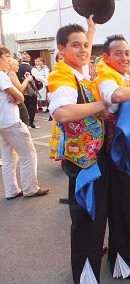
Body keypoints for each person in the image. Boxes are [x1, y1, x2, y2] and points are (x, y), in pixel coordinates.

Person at [48, 19, 111, 283]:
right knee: (86, 220)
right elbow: (62, 112)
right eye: (76, 45)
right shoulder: (63, 75)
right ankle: (85, 276)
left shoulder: (80, 72)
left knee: (93, 217)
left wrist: (90, 28)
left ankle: (91, 259)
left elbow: (83, 56)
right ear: (61, 49)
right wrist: (100, 105)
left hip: (92, 159)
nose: (84, 50)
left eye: (86, 45)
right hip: (84, 163)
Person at [94, 34, 130, 280]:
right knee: (120, 207)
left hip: (126, 151)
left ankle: (120, 247)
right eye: (118, 53)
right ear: (106, 57)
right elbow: (115, 97)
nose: (125, 57)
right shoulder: (106, 77)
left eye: (127, 53)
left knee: (125, 206)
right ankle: (119, 262)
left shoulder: (125, 75)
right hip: (116, 155)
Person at [0, 44, 49, 199]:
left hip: (2, 123)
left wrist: (14, 95)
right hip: (11, 120)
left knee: (9, 157)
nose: (9, 60)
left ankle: (12, 190)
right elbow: (20, 96)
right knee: (28, 155)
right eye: (7, 57)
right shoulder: (1, 75)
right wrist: (15, 96)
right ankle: (30, 188)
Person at [17, 51, 43, 129]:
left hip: (20, 90)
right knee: (31, 107)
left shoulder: (17, 67)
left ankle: (24, 123)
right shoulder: (32, 68)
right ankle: (30, 123)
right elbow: (40, 78)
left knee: (23, 107)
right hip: (30, 91)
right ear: (29, 59)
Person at [7, 57, 32, 125]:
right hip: (17, 99)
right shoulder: (12, 73)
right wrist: (27, 79)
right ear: (13, 66)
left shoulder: (7, 73)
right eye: (17, 65)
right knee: (24, 120)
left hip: (11, 100)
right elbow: (20, 88)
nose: (18, 67)